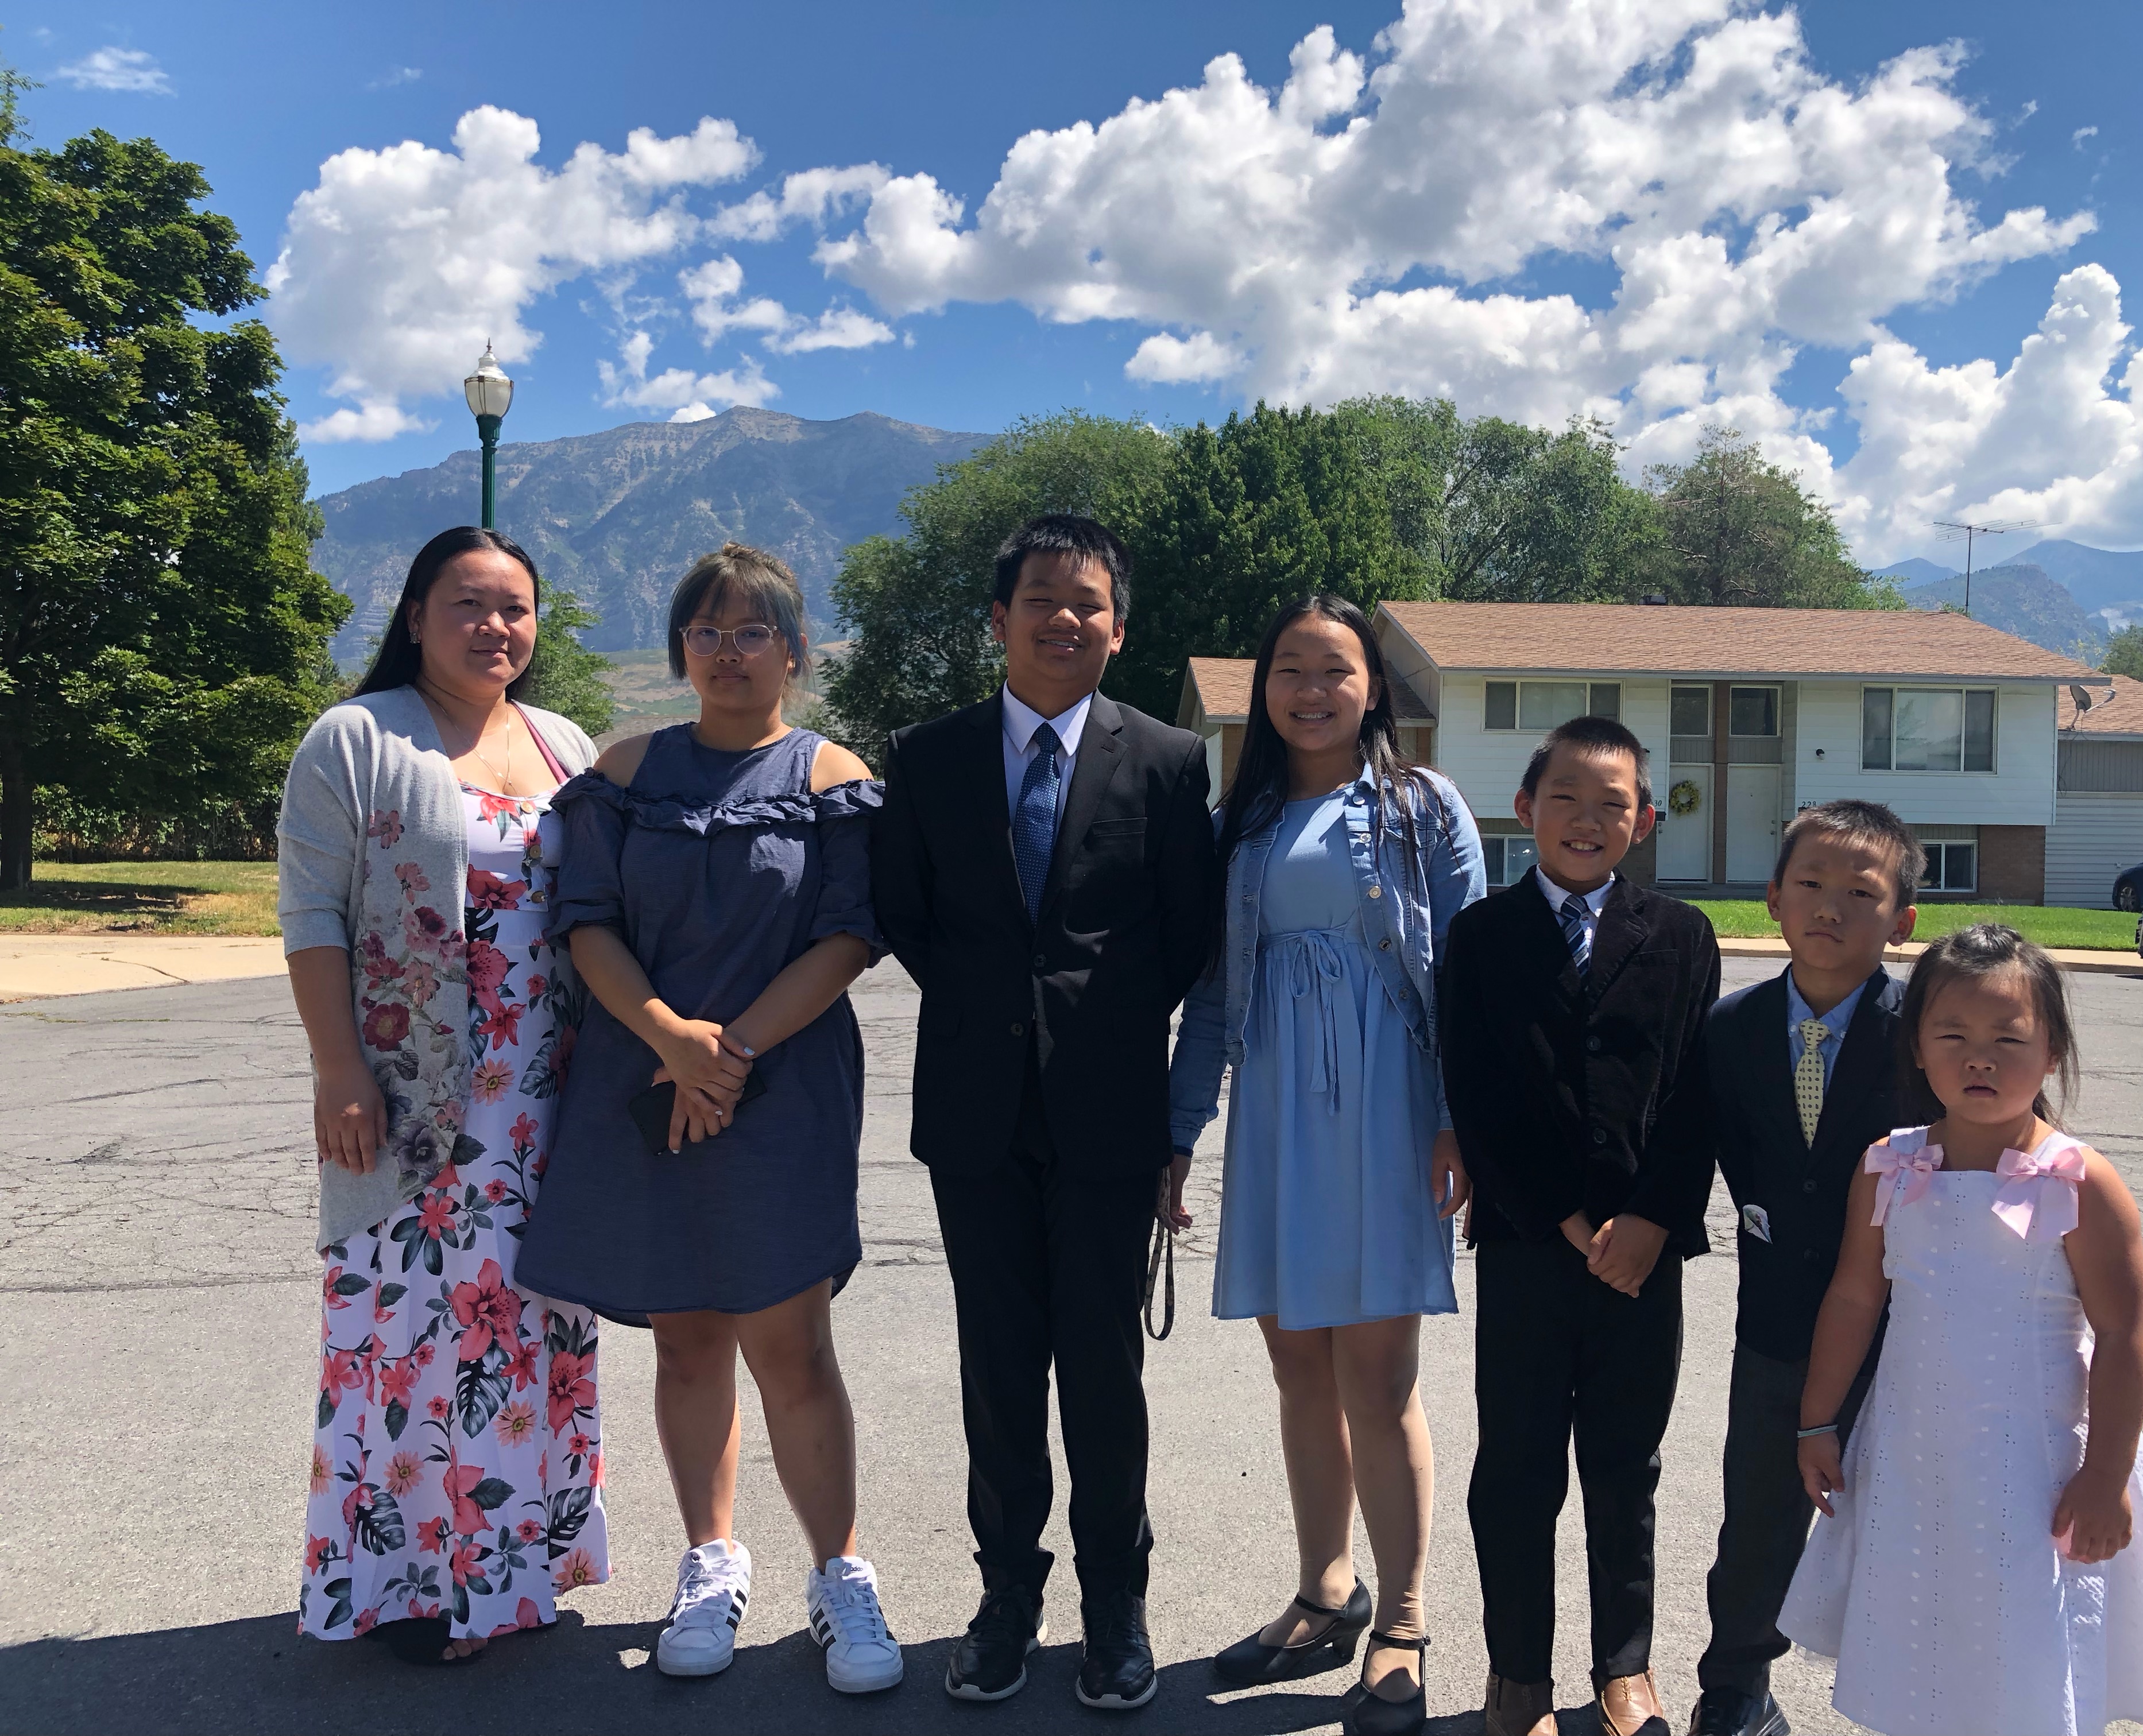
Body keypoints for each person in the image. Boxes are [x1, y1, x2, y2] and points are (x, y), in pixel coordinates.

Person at [513, 543, 902, 1695]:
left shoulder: (833, 777)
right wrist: (672, 1041)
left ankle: (839, 1576)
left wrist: (726, 1054)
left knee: (792, 1344)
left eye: (753, 631)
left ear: (796, 649)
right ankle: (710, 1562)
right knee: (686, 1338)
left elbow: (848, 937)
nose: (729, 652)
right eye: (707, 631)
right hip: (643, 1081)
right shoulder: (626, 771)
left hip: (785, 1089)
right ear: (681, 646)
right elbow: (586, 921)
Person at [870, 514, 1216, 1712]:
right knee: (1000, 1369)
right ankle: (1006, 1597)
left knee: (1104, 1371)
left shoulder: (1167, 760)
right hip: (976, 1115)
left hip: (1109, 1116)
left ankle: (1116, 1606)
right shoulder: (927, 758)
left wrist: (1095, 1025)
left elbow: (1186, 931)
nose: (1064, 618)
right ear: (1000, 618)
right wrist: (998, 1012)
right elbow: (908, 916)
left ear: (1119, 627)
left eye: (1088, 602)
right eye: (1040, 599)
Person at [279, 526, 611, 1663]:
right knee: (412, 1337)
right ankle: (417, 1586)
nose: (494, 627)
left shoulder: (564, 743)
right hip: (412, 1102)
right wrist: (337, 1068)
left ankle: (517, 1570)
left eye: (515, 607)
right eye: (468, 604)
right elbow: (311, 913)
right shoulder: (359, 737)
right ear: (415, 615)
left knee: (529, 1327)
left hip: (547, 1103)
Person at [1169, 596, 1487, 1735]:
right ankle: (1326, 1590)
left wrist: (1458, 1121)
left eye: (1335, 669)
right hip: (1275, 1115)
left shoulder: (1422, 805)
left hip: (1391, 1112)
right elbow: (1212, 996)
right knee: (1298, 1364)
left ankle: (1402, 1618)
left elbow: (1468, 977)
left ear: (1373, 687)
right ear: (1262, 688)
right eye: (1290, 669)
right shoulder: (1240, 822)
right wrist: (1178, 1133)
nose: (1311, 690)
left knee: (1379, 1374)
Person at [1780, 925, 2143, 1735]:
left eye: (2008, 1040)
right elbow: (1855, 1298)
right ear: (1917, 1049)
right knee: (1925, 1626)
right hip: (1915, 1452)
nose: (1980, 1060)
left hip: (2037, 1464)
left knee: (2022, 1637)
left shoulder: (2079, 1180)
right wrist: (1817, 1421)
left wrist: (2105, 1474)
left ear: (2052, 1053)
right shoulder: (1890, 1164)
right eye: (1953, 1037)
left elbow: (2124, 1333)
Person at [1438, 716, 1722, 1736]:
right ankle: (1517, 1670)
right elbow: (1478, 1094)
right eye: (1566, 797)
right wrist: (1563, 1218)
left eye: (1613, 804)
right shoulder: (1481, 935)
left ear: (1643, 821)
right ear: (1526, 809)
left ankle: (1625, 1666)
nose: (1587, 820)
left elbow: (1697, 1094)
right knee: (1516, 1464)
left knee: (1624, 1464)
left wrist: (1650, 1220)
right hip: (1528, 1245)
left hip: (1645, 1256)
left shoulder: (1681, 936)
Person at [1686, 801, 1924, 1736]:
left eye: (1862, 894)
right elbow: (1701, 1158)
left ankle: (1934, 1688)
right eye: (1812, 885)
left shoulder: (1928, 1035)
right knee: (1760, 1514)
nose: (1831, 907)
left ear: (1902, 920)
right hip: (1779, 1325)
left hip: (1913, 1325)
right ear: (1774, 898)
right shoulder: (1729, 1029)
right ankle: (1737, 1684)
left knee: (1918, 1513)